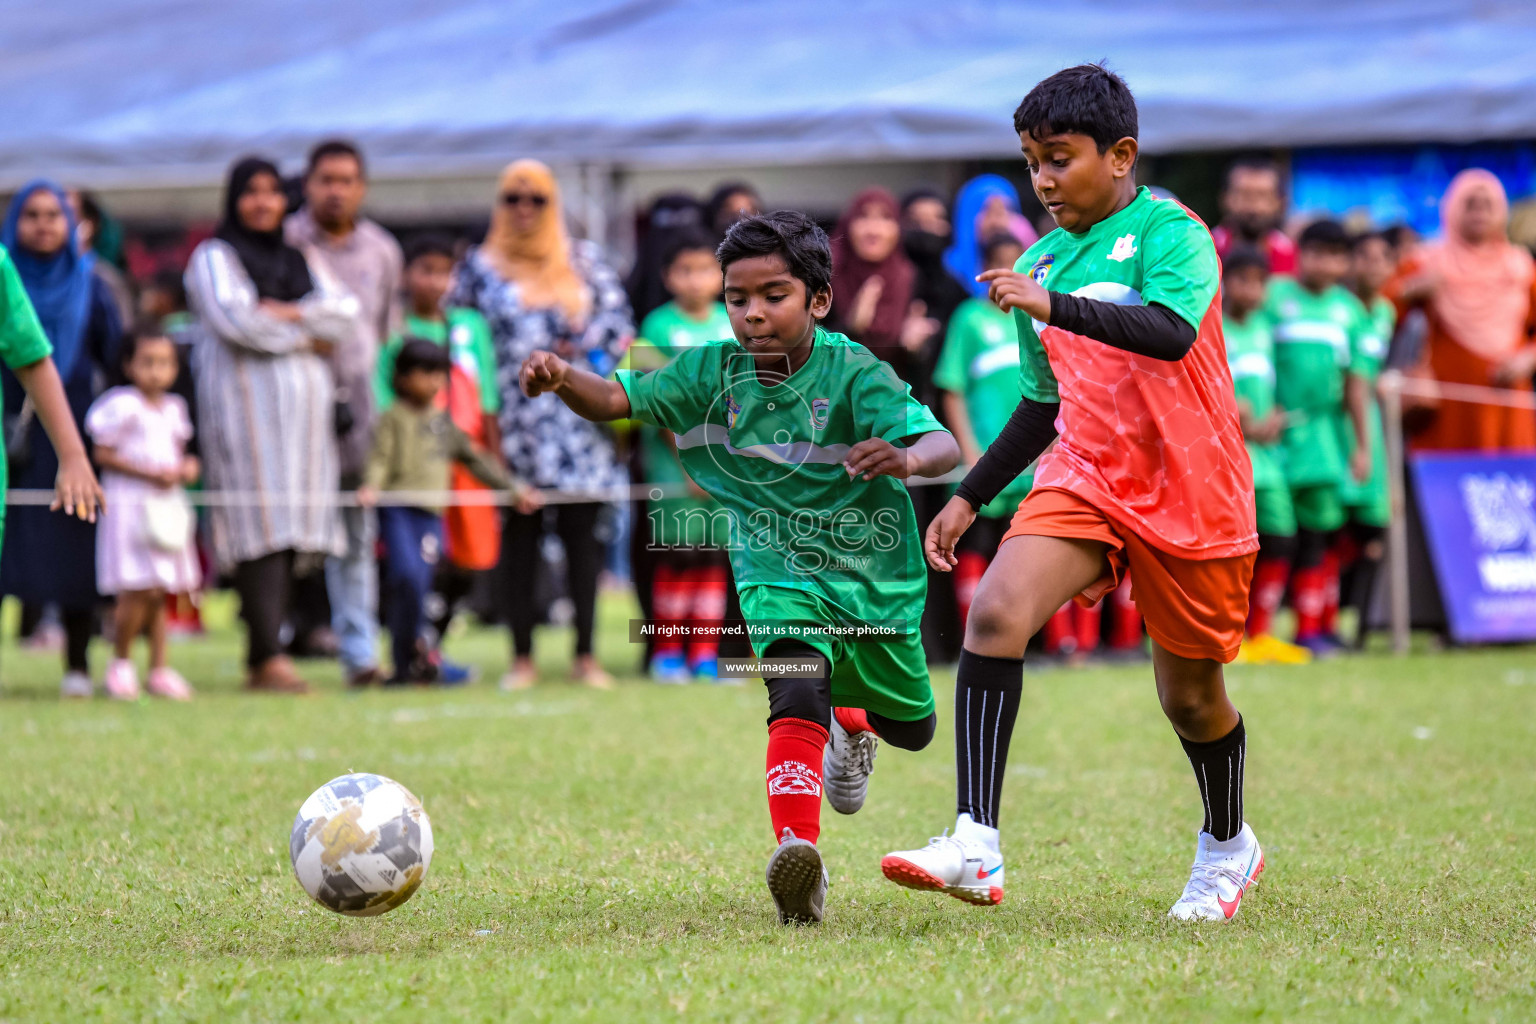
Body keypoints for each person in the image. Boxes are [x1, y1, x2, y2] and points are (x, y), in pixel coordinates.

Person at [882, 65, 1264, 923]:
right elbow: (1042, 405)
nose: (1044, 180)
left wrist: (1052, 304)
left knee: (1190, 700)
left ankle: (1227, 845)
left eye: (1060, 158)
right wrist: (968, 496)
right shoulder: (1040, 261)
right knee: (994, 612)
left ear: (1120, 154)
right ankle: (974, 842)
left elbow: (1168, 333)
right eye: (1031, 162)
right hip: (1085, 475)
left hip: (1190, 486)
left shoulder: (1173, 232)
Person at [521, 211, 960, 924]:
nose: (752, 313)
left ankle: (856, 725)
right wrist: (563, 375)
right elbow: (613, 398)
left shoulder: (854, 371)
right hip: (773, 566)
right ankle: (799, 859)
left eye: (773, 295)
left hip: (871, 575)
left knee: (912, 728)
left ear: (818, 300)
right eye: (737, 297)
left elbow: (939, 441)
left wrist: (908, 459)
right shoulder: (705, 369)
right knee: (793, 691)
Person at [448, 159, 634, 691]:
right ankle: (522, 656)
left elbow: (622, 331)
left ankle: (584, 655)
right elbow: (459, 343)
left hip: (582, 425)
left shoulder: (586, 262)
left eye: (537, 199)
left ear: (554, 205)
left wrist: (606, 382)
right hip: (513, 423)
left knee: (584, 543)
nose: (524, 210)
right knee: (521, 542)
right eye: (512, 198)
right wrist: (481, 426)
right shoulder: (478, 269)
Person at [185, 156, 358, 694]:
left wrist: (283, 313)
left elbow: (344, 316)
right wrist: (307, 330)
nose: (263, 203)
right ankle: (264, 652)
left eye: (272, 192)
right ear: (233, 199)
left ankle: (272, 650)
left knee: (292, 528)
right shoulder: (213, 257)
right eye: (250, 192)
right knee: (255, 524)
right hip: (244, 415)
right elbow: (239, 322)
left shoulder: (299, 256)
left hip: (304, 424)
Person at [376, 234, 525, 678]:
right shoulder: (396, 330)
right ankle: (415, 651)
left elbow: (489, 397)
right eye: (426, 270)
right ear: (407, 275)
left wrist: (494, 459)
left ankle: (433, 644)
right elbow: (387, 402)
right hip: (420, 469)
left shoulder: (469, 325)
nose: (436, 281)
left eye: (445, 271)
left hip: (468, 458)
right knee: (423, 563)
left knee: (473, 557)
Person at [286, 139, 403, 687]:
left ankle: (359, 654)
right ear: (307, 184)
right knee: (286, 538)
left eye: (346, 180)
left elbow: (387, 337)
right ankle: (273, 645)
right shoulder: (284, 242)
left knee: (357, 537)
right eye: (325, 179)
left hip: (358, 417)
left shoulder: (381, 250)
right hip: (291, 412)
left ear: (362, 187)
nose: (335, 190)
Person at [0, 181, 122, 698]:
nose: (44, 224)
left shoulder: (93, 284)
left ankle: (77, 662)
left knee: (75, 550)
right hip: (14, 432)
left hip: (68, 432)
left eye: (55, 214)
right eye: (32, 214)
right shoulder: (12, 265)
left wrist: (79, 453)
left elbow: (107, 360)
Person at [359, 339, 521, 684]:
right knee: (406, 576)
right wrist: (371, 487)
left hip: (431, 517)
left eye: (438, 375)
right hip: (398, 511)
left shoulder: (443, 424)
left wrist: (514, 489)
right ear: (402, 378)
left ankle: (420, 658)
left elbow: (477, 460)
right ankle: (405, 660)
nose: (433, 383)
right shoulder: (392, 419)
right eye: (424, 374)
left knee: (426, 586)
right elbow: (380, 460)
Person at [1264, 219, 1375, 657]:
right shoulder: (1274, 298)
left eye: (1335, 254)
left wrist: (1362, 445)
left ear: (1345, 262)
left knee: (1321, 534)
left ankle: (1313, 629)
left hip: (1325, 439)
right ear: (1299, 254)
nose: (1325, 263)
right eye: (1316, 252)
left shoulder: (1349, 311)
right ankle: (1259, 632)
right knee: (1274, 535)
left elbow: (1357, 386)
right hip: (1274, 437)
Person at [631, 228, 733, 682]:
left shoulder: (732, 322)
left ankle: (706, 654)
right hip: (672, 465)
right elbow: (657, 401)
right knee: (676, 555)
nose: (696, 279)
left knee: (714, 557)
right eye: (684, 270)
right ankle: (667, 652)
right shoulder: (656, 326)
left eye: (705, 269)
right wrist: (691, 464)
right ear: (667, 277)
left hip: (727, 468)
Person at [85, 326, 201, 700]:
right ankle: (121, 662)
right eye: (147, 362)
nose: (156, 371)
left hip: (165, 510)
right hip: (131, 508)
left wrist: (184, 470)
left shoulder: (175, 408)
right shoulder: (121, 405)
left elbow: (187, 456)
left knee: (160, 590)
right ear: (129, 365)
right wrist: (150, 473)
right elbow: (102, 453)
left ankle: (159, 668)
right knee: (137, 588)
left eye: (164, 363)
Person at [1385, 169, 1536, 451]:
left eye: (1487, 205)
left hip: (1509, 402)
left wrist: (1529, 357)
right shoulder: (1426, 262)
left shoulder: (1521, 268)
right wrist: (1408, 292)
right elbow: (1379, 313)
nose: (1479, 213)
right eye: (1470, 205)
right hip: (1448, 404)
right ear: (1452, 209)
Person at [932, 233, 1033, 631]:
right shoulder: (969, 319)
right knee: (974, 544)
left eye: (1017, 265)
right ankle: (976, 634)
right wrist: (970, 449)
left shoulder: (1035, 318)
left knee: (1022, 548)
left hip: (1030, 462)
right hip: (983, 458)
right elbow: (951, 388)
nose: (1007, 275)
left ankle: (1023, 636)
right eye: (1000, 265)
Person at [1221, 247, 1310, 665]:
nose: (1252, 290)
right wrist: (1234, 416)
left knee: (1281, 536)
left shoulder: (1264, 328)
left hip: (1266, 455)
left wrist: (1274, 413)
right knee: (1233, 546)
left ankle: (1263, 634)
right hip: (1225, 455)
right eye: (1243, 280)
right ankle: (1230, 635)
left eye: (1260, 282)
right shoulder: (1212, 327)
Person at [1337, 231, 1398, 645]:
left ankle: (1358, 626)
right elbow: (1354, 382)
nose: (1372, 265)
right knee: (1334, 530)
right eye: (1363, 256)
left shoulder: (1388, 312)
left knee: (1373, 534)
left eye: (1381, 258)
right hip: (1340, 428)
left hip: (1375, 426)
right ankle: (1328, 621)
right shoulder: (1341, 309)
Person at [829, 187, 941, 391]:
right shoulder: (826, 279)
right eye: (863, 217)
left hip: (895, 407)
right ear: (848, 224)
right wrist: (850, 329)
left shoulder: (915, 279)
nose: (873, 230)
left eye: (885, 218)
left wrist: (915, 349)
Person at [942, 174, 1038, 299]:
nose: (998, 221)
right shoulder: (949, 271)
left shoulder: (1035, 265)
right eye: (987, 210)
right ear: (968, 215)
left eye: (1007, 209)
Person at [625, 193, 709, 323]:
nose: (694, 281)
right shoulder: (653, 323)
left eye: (704, 270)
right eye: (684, 271)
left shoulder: (723, 318)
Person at [1212, 158, 1298, 275]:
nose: (1253, 207)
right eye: (1244, 195)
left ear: (1280, 202)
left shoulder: (1293, 257)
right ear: (1225, 198)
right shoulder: (1207, 249)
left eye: (1262, 196)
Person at [900, 188, 970, 331]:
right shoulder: (884, 286)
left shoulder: (958, 291)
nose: (927, 227)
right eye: (916, 221)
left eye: (936, 220)